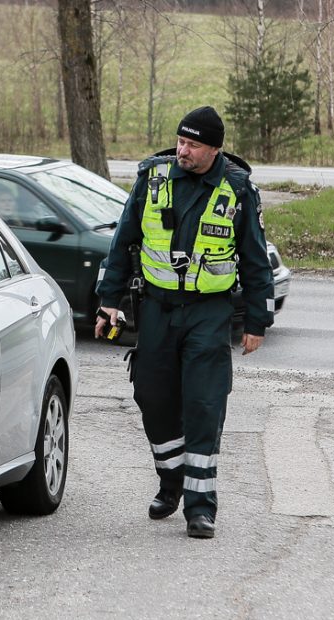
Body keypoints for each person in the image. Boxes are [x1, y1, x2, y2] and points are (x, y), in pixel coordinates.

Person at [95, 106, 274, 539]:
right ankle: (171, 482)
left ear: (215, 149)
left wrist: (257, 320)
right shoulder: (153, 177)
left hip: (209, 313)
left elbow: (255, 258)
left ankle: (200, 506)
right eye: (181, 141)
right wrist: (108, 301)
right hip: (155, 308)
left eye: (193, 145)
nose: (183, 150)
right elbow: (124, 240)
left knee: (203, 404)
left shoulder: (237, 189)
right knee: (152, 397)